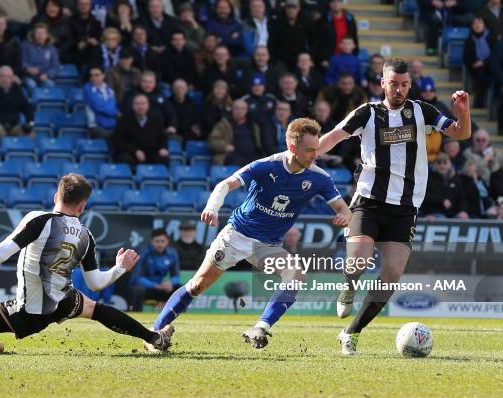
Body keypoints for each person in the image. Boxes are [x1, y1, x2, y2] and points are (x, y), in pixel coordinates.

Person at [147, 118, 351, 350]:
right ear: (292, 148)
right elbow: (225, 184)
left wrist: (345, 217)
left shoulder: (319, 177)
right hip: (237, 235)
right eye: (310, 150)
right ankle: (154, 332)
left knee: (296, 275)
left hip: (268, 245)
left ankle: (261, 328)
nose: (316, 155)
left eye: (317, 149)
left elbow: (343, 209)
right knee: (197, 285)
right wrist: (212, 208)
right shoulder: (265, 166)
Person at [317, 58, 471, 355]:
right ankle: (349, 285)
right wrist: (305, 153)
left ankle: (351, 333)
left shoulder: (421, 110)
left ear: (409, 85)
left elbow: (460, 134)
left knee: (391, 274)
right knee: (358, 260)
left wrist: (462, 114)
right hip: (369, 201)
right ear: (382, 84)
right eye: (393, 84)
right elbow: (333, 137)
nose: (398, 90)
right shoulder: (367, 113)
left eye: (403, 85)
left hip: (404, 207)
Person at [0, 174, 174, 353]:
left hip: (28, 311)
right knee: (95, 309)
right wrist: (120, 268)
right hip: (64, 302)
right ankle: (153, 337)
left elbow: (2, 252)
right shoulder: (86, 234)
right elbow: (96, 283)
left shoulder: (40, 219)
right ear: (83, 205)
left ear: (57, 195)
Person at [130, 229, 181, 311]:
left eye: (162, 241)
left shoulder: (172, 253)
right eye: (157, 241)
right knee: (139, 290)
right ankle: (136, 316)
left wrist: (170, 282)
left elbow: (176, 276)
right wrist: (155, 286)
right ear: (152, 241)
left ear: (167, 241)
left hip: (161, 288)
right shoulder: (144, 252)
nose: (160, 244)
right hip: (146, 289)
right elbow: (138, 278)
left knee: (180, 288)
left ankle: (178, 315)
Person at [0, 66, 34, 143]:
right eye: (2, 76)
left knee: (28, 132)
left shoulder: (17, 91)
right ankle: (1, 153)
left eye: (8, 77)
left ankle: (20, 154)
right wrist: (3, 122)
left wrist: (30, 123)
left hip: (13, 125)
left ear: (12, 78)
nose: (5, 79)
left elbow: (28, 109)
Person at [113, 94, 169, 165]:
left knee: (164, 158)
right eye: (137, 104)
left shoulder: (156, 120)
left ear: (148, 106)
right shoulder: (123, 121)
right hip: (130, 154)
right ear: (132, 106)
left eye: (143, 104)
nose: (140, 107)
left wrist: (163, 148)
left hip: (150, 154)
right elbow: (118, 141)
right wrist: (135, 151)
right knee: (124, 159)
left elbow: (162, 138)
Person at [209, 99, 262, 166]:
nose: (239, 111)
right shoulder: (223, 124)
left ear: (247, 110)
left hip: (251, 156)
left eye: (242, 109)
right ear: (232, 109)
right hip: (231, 155)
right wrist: (224, 146)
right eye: (236, 108)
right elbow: (212, 140)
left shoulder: (253, 125)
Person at [421, 152, 468, 219]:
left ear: (450, 165)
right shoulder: (428, 178)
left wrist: (463, 211)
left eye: (445, 163)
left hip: (454, 213)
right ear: (434, 165)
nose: (442, 166)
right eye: (439, 163)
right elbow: (425, 197)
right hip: (434, 213)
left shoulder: (456, 179)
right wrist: (441, 201)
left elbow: (462, 198)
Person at [315, 0, 359, 71]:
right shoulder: (322, 21)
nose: (335, 4)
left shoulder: (350, 19)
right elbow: (318, 42)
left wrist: (354, 56)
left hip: (347, 59)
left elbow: (354, 38)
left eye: (338, 1)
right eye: (333, 2)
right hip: (329, 60)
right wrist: (322, 59)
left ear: (342, 3)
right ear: (329, 4)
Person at [463, 16, 497, 108]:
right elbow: (466, 58)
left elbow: (496, 55)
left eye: (480, 23)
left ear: (484, 25)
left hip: (491, 65)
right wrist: (474, 64)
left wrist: (484, 62)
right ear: (472, 25)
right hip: (476, 68)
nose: (478, 25)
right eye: (475, 23)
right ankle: (479, 103)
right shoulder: (469, 40)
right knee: (480, 75)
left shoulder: (492, 38)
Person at [268, 0, 311, 69]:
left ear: (298, 8)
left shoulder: (306, 23)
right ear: (285, 9)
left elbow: (312, 41)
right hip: (282, 60)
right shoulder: (277, 24)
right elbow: (272, 44)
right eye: (288, 8)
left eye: (294, 8)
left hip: (301, 59)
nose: (291, 10)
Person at [21, 23, 59, 91]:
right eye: (38, 33)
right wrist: (28, 68)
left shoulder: (52, 48)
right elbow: (22, 61)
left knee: (50, 85)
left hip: (44, 77)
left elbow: (55, 66)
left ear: (47, 35)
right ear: (34, 35)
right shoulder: (26, 46)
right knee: (31, 85)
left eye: (42, 33)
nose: (40, 36)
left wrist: (47, 75)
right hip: (29, 76)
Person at [84, 66, 118, 139]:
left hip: (112, 124)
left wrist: (112, 110)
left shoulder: (109, 89)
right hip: (96, 126)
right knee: (112, 138)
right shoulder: (87, 89)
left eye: (96, 75)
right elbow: (98, 107)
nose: (93, 78)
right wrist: (114, 112)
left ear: (103, 75)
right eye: (91, 75)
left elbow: (113, 106)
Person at [70, 0, 103, 67]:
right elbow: (68, 38)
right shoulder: (70, 21)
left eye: (86, 4)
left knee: (96, 50)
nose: (84, 6)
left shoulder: (96, 22)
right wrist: (77, 43)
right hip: (74, 51)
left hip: (90, 51)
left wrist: (93, 41)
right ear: (77, 6)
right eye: (81, 4)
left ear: (90, 6)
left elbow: (99, 38)